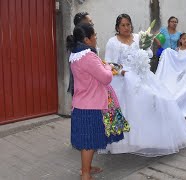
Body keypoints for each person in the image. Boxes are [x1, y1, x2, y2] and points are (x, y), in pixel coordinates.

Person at [102, 14, 186, 157]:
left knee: (157, 99)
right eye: (123, 25)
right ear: (117, 27)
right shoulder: (112, 42)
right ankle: (128, 141)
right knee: (130, 109)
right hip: (123, 78)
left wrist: (144, 51)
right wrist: (122, 72)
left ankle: (155, 138)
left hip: (142, 74)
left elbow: (149, 54)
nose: (126, 28)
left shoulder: (138, 37)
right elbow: (109, 63)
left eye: (128, 24)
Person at [67, 23, 124, 180]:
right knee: (89, 142)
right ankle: (85, 175)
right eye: (95, 35)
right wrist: (107, 66)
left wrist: (103, 65)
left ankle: (87, 168)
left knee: (86, 140)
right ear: (87, 39)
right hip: (91, 105)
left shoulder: (75, 54)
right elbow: (106, 78)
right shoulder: (88, 56)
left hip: (81, 103)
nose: (96, 37)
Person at [68, 12, 94, 97]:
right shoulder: (76, 44)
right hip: (83, 87)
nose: (92, 23)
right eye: (90, 21)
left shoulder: (89, 38)